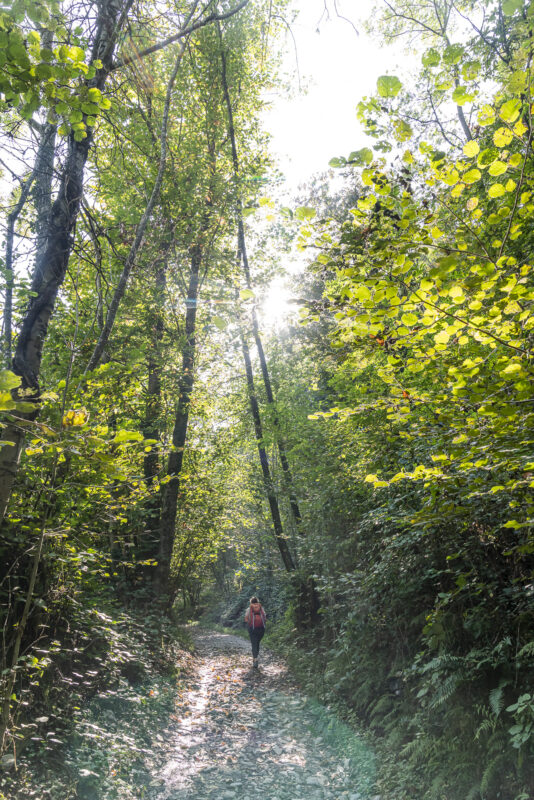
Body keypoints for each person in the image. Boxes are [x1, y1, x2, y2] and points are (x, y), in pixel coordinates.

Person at [244, 596, 266, 669]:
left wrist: (249, 623)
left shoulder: (249, 609)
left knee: (254, 643)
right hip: (261, 629)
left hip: (252, 629)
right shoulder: (261, 608)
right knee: (257, 643)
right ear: (258, 602)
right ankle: (256, 658)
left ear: (251, 603)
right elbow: (265, 618)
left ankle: (255, 659)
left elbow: (246, 619)